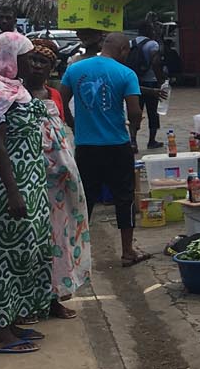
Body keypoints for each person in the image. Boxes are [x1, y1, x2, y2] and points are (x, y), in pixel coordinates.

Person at [0, 33, 55, 353]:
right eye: (25, 56)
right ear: (8, 56)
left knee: (23, 255)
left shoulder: (16, 89)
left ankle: (12, 320)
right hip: (7, 187)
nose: (30, 62)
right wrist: (13, 193)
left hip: (29, 183)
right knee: (1, 258)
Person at [62, 31, 145, 266]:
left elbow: (60, 100)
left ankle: (77, 254)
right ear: (123, 50)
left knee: (85, 199)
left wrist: (73, 124)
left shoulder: (76, 69)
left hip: (86, 146)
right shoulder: (126, 73)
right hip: (117, 145)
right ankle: (128, 251)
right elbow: (135, 112)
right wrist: (134, 132)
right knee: (124, 197)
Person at [26, 35, 90, 310]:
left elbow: (60, 132)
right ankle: (32, 300)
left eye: (44, 62)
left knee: (59, 238)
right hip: (30, 179)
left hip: (58, 181)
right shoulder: (16, 94)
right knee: (33, 241)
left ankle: (56, 296)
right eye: (34, 60)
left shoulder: (53, 95)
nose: (38, 66)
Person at [129, 21, 165, 150]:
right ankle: (151, 141)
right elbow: (155, 63)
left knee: (135, 111)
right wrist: (161, 80)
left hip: (134, 82)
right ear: (149, 31)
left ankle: (133, 141)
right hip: (151, 82)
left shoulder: (130, 43)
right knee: (153, 112)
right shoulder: (152, 44)